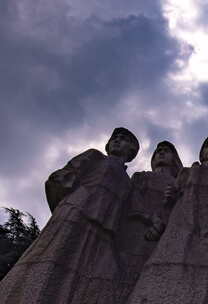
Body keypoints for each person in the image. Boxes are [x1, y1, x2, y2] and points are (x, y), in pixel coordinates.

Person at [0, 127, 139, 304]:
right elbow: (62, 178)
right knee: (51, 257)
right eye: (115, 137)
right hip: (75, 212)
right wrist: (73, 202)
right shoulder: (95, 156)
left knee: (84, 273)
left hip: (104, 230)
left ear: (132, 151)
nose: (117, 140)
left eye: (124, 139)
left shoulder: (129, 183)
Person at [128, 134, 208, 304]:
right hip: (177, 233)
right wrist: (162, 215)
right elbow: (168, 207)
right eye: (207, 145)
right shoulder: (187, 173)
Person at [116, 141, 182, 301]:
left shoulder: (180, 183)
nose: (160, 153)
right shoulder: (141, 176)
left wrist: (175, 199)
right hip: (136, 232)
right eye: (158, 151)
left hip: (166, 239)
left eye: (166, 151)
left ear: (175, 159)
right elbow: (131, 200)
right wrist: (149, 218)